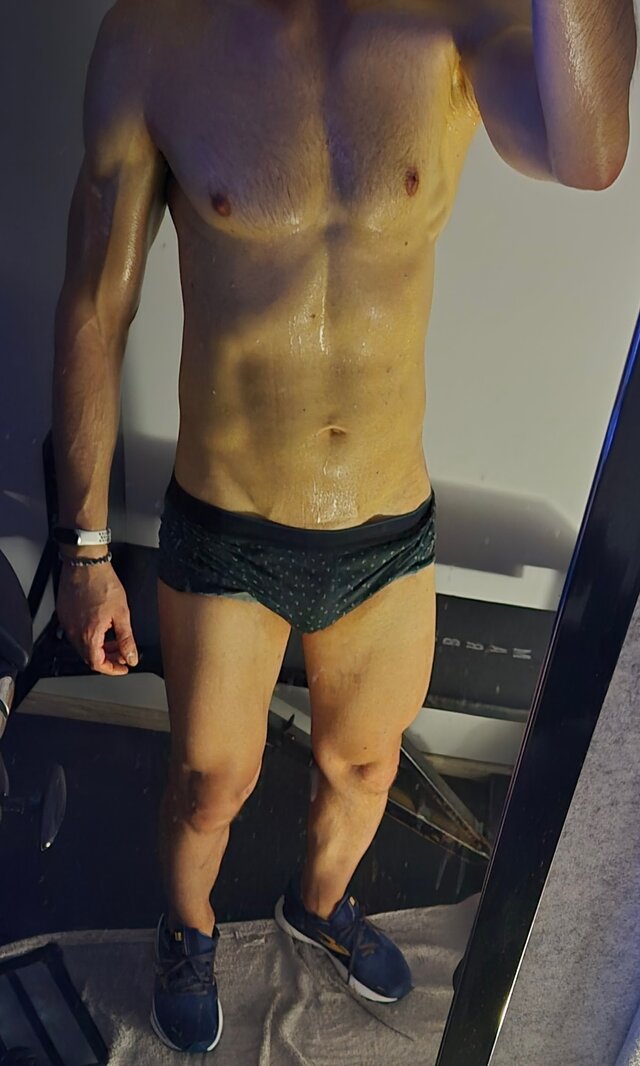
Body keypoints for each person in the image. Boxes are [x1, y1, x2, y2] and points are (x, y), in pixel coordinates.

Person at [51, 0, 634, 1054]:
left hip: (385, 529)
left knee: (366, 770)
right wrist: (84, 549)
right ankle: (185, 929)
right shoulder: (156, 35)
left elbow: (591, 157)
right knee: (208, 784)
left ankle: (316, 907)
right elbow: (95, 303)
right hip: (226, 529)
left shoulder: (455, 22)